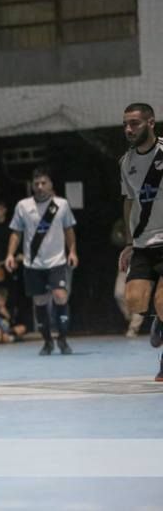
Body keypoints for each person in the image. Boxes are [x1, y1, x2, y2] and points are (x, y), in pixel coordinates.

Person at [6, 166, 77, 356]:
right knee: (40, 300)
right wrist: (10, 254)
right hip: (33, 264)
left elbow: (69, 229)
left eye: (43, 183)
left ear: (50, 185)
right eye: (36, 183)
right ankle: (47, 342)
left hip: (57, 261)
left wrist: (72, 252)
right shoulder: (23, 206)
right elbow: (16, 232)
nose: (39, 186)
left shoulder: (61, 205)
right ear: (32, 185)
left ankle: (62, 339)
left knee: (61, 296)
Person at [118, 103, 163, 380]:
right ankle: (159, 320)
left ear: (151, 123)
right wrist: (129, 243)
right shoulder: (126, 162)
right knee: (134, 302)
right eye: (126, 124)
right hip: (144, 243)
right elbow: (129, 201)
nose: (129, 129)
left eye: (134, 123)